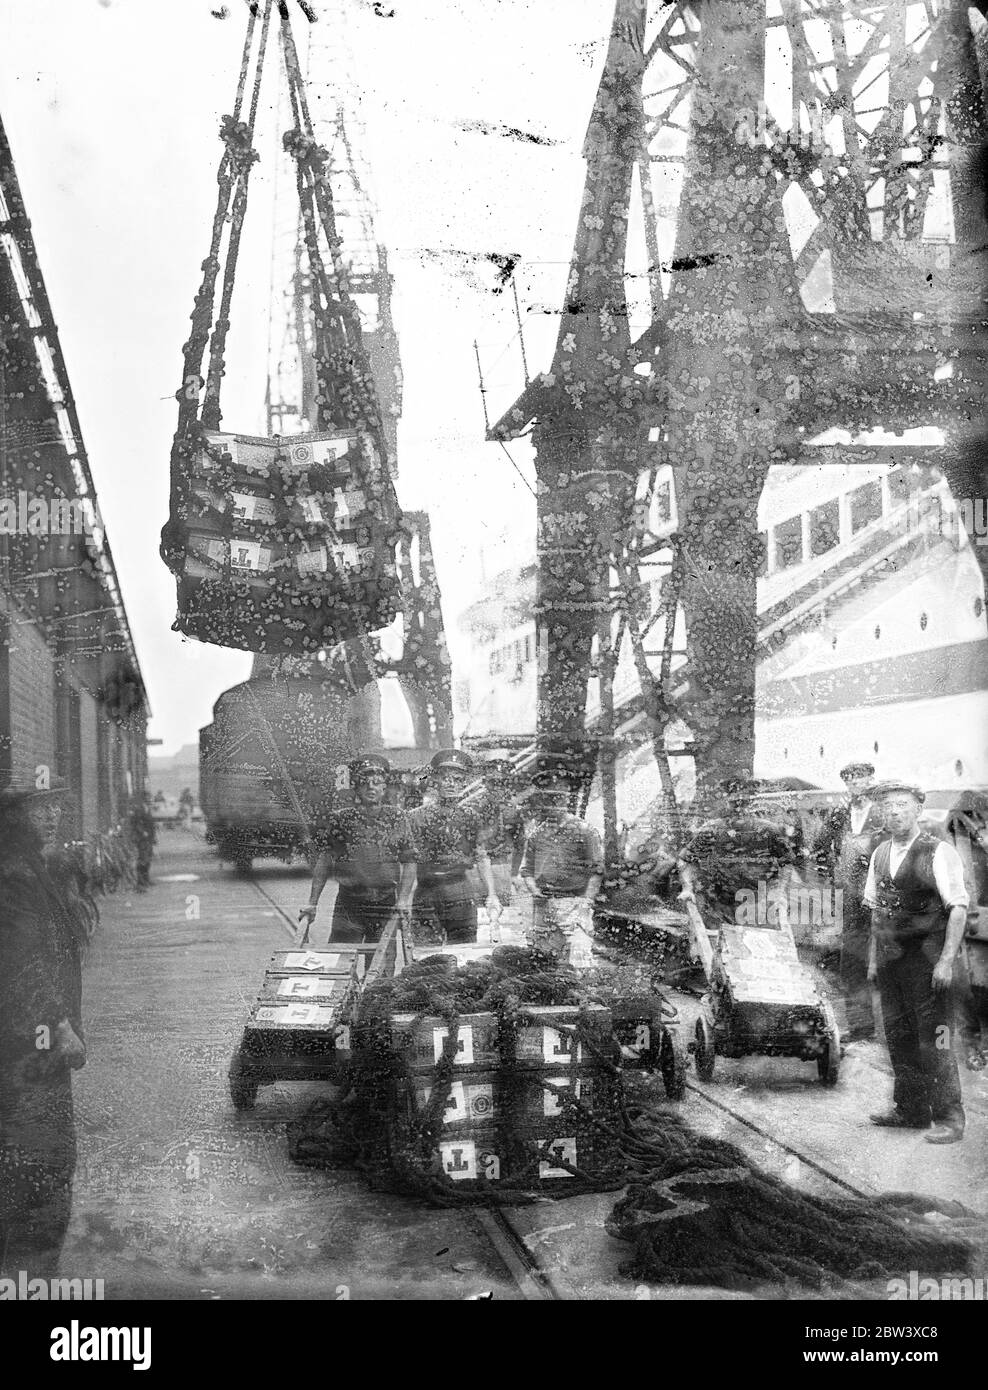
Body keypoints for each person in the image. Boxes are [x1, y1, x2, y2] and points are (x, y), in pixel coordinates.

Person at [0, 779, 89, 1278]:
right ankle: (29, 1277)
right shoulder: (14, 876)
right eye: (39, 810)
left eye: (56, 806)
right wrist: (58, 1024)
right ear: (15, 819)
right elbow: (20, 963)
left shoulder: (29, 868)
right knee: (42, 1161)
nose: (52, 816)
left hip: (25, 1042)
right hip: (28, 1045)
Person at [864, 781, 968, 1144]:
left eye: (902, 805)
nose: (894, 812)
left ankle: (950, 1118)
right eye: (888, 806)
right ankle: (910, 1110)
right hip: (893, 964)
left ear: (918, 809)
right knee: (899, 1037)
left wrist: (945, 962)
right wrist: (875, 962)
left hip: (928, 963)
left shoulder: (938, 852)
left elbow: (957, 908)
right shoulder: (879, 854)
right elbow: (876, 913)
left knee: (936, 1039)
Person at [299, 754, 416, 944]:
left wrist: (403, 900)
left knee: (382, 969)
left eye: (376, 782)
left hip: (385, 904)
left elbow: (409, 861)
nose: (371, 787)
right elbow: (325, 861)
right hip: (349, 904)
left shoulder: (397, 818)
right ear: (356, 787)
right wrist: (312, 903)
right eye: (364, 783)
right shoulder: (341, 819)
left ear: (384, 787)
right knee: (341, 963)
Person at [812, 761, 888, 1041]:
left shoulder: (886, 813)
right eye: (851, 781)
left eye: (863, 779)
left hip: (885, 897)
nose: (857, 785)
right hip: (853, 899)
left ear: (872, 779)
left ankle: (900, 1030)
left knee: (894, 958)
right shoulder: (840, 814)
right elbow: (819, 848)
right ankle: (861, 1029)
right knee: (853, 962)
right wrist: (830, 876)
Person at [518, 754, 604, 969]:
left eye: (559, 796)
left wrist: (586, 903)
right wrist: (534, 889)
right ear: (542, 800)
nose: (554, 802)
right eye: (549, 798)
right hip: (544, 903)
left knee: (579, 955)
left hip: (574, 903)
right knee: (542, 958)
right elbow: (527, 870)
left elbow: (597, 870)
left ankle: (584, 997)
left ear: (567, 797)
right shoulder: (537, 834)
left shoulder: (585, 831)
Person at [677, 777, 797, 928]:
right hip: (719, 906)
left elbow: (786, 864)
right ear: (726, 802)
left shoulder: (769, 831)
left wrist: (779, 892)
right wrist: (687, 888)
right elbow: (686, 860)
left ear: (751, 804)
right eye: (734, 803)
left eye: (744, 802)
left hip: (758, 906)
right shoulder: (712, 830)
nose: (739, 809)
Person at [408, 749, 500, 944]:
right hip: (427, 891)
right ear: (435, 781)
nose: (451, 784)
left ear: (464, 783)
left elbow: (481, 856)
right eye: (445, 778)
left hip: (460, 889)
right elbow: (406, 860)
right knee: (425, 954)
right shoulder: (416, 816)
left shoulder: (471, 816)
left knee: (463, 951)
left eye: (457, 779)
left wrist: (492, 894)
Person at [475, 758, 526, 906]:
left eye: (502, 784)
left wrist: (514, 873)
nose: (498, 789)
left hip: (501, 866)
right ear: (485, 783)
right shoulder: (474, 809)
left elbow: (520, 843)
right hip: (475, 870)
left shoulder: (513, 811)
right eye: (493, 783)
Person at [129, 793, 157, 891]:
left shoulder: (147, 809)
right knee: (142, 859)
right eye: (148, 798)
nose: (150, 799)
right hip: (142, 839)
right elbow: (135, 823)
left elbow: (151, 824)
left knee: (148, 859)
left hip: (149, 838)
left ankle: (146, 879)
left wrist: (154, 837)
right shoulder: (139, 809)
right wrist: (142, 832)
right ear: (144, 799)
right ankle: (140, 882)